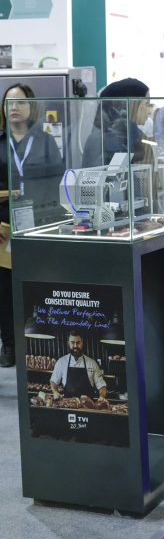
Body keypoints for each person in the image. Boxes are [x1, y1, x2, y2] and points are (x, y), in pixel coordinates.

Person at [0, 83, 64, 367]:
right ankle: (9, 343)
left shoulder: (45, 140)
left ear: (31, 106)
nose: (14, 107)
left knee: (39, 282)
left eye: (20, 102)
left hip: (38, 221)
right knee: (5, 288)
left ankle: (39, 343)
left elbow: (56, 179)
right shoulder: (0, 141)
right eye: (9, 102)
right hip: (4, 225)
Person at [81, 78, 151, 168]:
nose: (149, 111)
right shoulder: (102, 139)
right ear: (132, 104)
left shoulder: (129, 134)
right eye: (147, 104)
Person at [49, 332, 107, 400]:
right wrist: (55, 392)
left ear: (82, 343)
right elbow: (54, 381)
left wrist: (102, 396)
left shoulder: (92, 363)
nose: (75, 346)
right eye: (72, 343)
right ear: (68, 343)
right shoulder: (61, 362)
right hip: (68, 404)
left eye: (78, 342)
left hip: (87, 405)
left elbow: (102, 385)